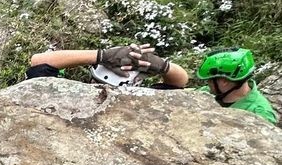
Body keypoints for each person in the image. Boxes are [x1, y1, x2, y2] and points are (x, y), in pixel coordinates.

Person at [28, 44, 189, 89]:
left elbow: (39, 61)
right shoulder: (144, 107)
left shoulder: (65, 98)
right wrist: (163, 66)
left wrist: (101, 56)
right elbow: (180, 81)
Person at [195, 47, 277, 125]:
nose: (208, 83)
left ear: (224, 81)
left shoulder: (260, 114)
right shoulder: (207, 92)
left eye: (210, 80)